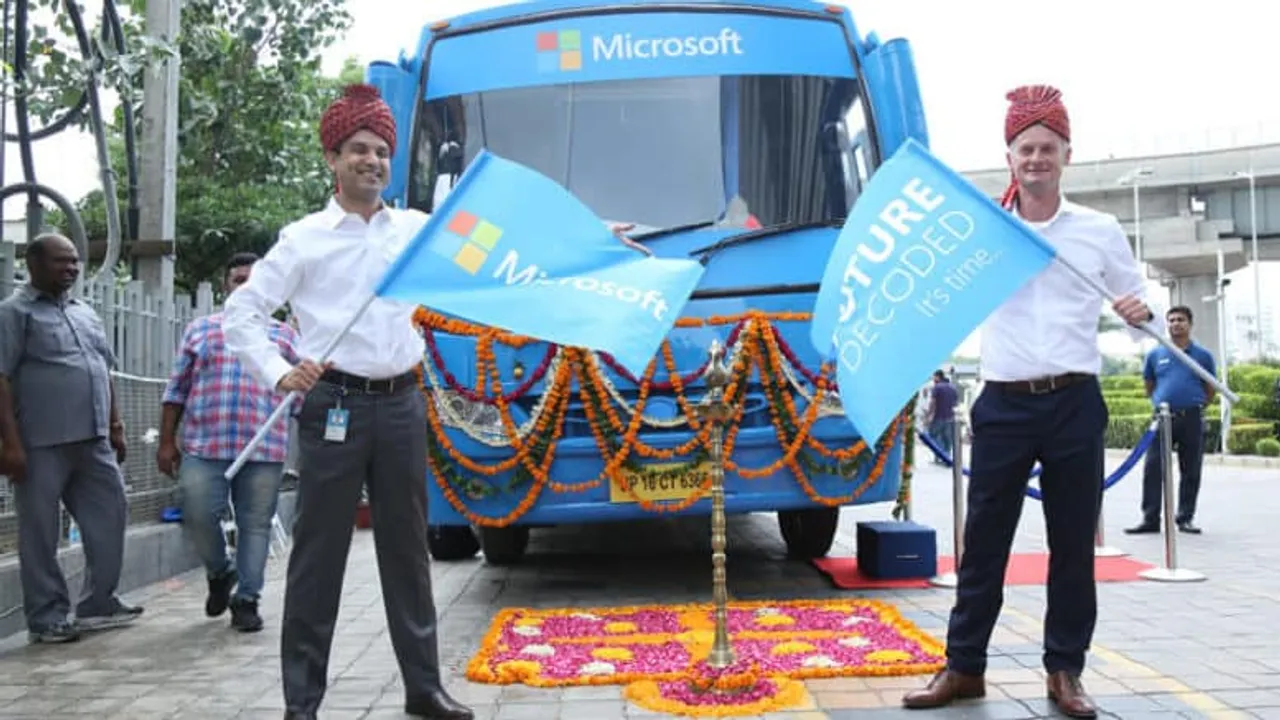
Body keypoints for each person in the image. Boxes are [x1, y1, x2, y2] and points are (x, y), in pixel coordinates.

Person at [901, 85, 1161, 719]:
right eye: (1026, 149)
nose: (1037, 159)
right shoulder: (989, 230)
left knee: (1072, 546)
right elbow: (943, 295)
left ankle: (1064, 672)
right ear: (1010, 157)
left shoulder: (1098, 231)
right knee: (984, 544)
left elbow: (1139, 316)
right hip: (1004, 405)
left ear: (1066, 155)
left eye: (1048, 148)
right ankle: (963, 668)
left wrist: (1139, 310)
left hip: (1075, 401)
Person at [221, 83, 475, 720]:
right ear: (332, 159)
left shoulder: (418, 232)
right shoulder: (304, 239)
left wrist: (593, 240)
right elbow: (241, 313)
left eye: (383, 150)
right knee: (318, 556)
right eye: (359, 148)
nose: (373, 160)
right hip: (331, 406)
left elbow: (497, 257)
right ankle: (302, 702)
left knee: (408, 552)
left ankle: (425, 691)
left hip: (402, 405)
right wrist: (279, 373)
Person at [0, 233, 144, 643]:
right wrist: (10, 445)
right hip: (40, 442)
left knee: (111, 514)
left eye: (75, 262)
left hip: (93, 438)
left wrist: (115, 426)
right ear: (33, 264)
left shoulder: (85, 313)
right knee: (40, 532)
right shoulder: (13, 313)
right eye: (62, 262)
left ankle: (99, 602)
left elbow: (103, 369)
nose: (72, 269)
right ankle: (47, 618)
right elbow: (1, 379)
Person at [158, 252, 300, 632]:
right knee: (200, 515)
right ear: (227, 286)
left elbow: (299, 398)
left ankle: (247, 599)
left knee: (256, 525)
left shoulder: (285, 337)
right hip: (205, 447)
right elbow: (176, 390)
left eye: (255, 281)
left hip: (264, 449)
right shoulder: (201, 330)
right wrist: (166, 442)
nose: (246, 287)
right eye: (239, 280)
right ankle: (220, 573)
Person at [1125, 305, 1215, 536]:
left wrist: (1196, 405)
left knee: (1191, 469)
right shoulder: (1156, 354)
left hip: (1191, 418)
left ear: (1189, 324)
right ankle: (1150, 518)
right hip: (1163, 418)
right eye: (1172, 320)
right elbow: (1149, 384)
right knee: (1153, 468)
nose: (1176, 324)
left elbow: (1210, 388)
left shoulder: (1203, 356)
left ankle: (1185, 518)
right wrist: (1161, 402)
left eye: (1181, 320)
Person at [924, 370, 958, 463]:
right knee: (947, 439)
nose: (933, 379)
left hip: (938, 417)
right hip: (950, 417)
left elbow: (933, 402)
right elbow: (955, 403)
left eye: (934, 377)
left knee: (934, 436)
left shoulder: (937, 387)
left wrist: (929, 415)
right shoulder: (953, 388)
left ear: (938, 377)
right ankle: (947, 458)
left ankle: (939, 457)